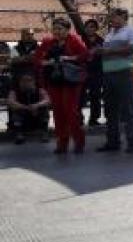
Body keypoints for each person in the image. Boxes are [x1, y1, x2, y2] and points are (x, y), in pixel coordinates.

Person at [34, 18, 88, 154]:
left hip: (70, 80)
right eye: (55, 29)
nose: (56, 32)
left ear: (67, 30)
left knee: (70, 111)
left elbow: (85, 55)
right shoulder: (48, 42)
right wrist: (46, 62)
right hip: (54, 80)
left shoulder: (74, 40)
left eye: (60, 29)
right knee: (58, 113)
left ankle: (79, 142)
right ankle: (62, 143)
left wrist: (69, 58)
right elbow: (37, 59)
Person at [95, 8, 133, 153]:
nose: (111, 20)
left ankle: (132, 143)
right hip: (109, 74)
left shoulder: (131, 31)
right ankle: (113, 141)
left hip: (124, 74)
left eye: (113, 17)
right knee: (110, 110)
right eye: (110, 17)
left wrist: (109, 52)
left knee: (128, 110)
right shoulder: (109, 35)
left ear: (123, 17)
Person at [7, 72, 50, 145]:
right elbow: (10, 101)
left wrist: (37, 105)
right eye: (23, 81)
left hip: (36, 114)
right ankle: (19, 134)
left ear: (33, 82)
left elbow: (47, 100)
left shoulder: (39, 90)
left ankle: (44, 133)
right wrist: (24, 107)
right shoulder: (15, 91)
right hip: (23, 114)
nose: (26, 83)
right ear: (20, 82)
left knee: (44, 110)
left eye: (29, 81)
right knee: (16, 111)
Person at [80, 19, 105, 126]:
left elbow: (104, 56)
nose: (89, 29)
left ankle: (94, 119)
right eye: (87, 27)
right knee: (80, 96)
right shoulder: (80, 39)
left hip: (97, 72)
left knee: (95, 96)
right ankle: (79, 119)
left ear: (96, 29)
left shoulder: (101, 41)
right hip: (82, 72)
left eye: (92, 27)